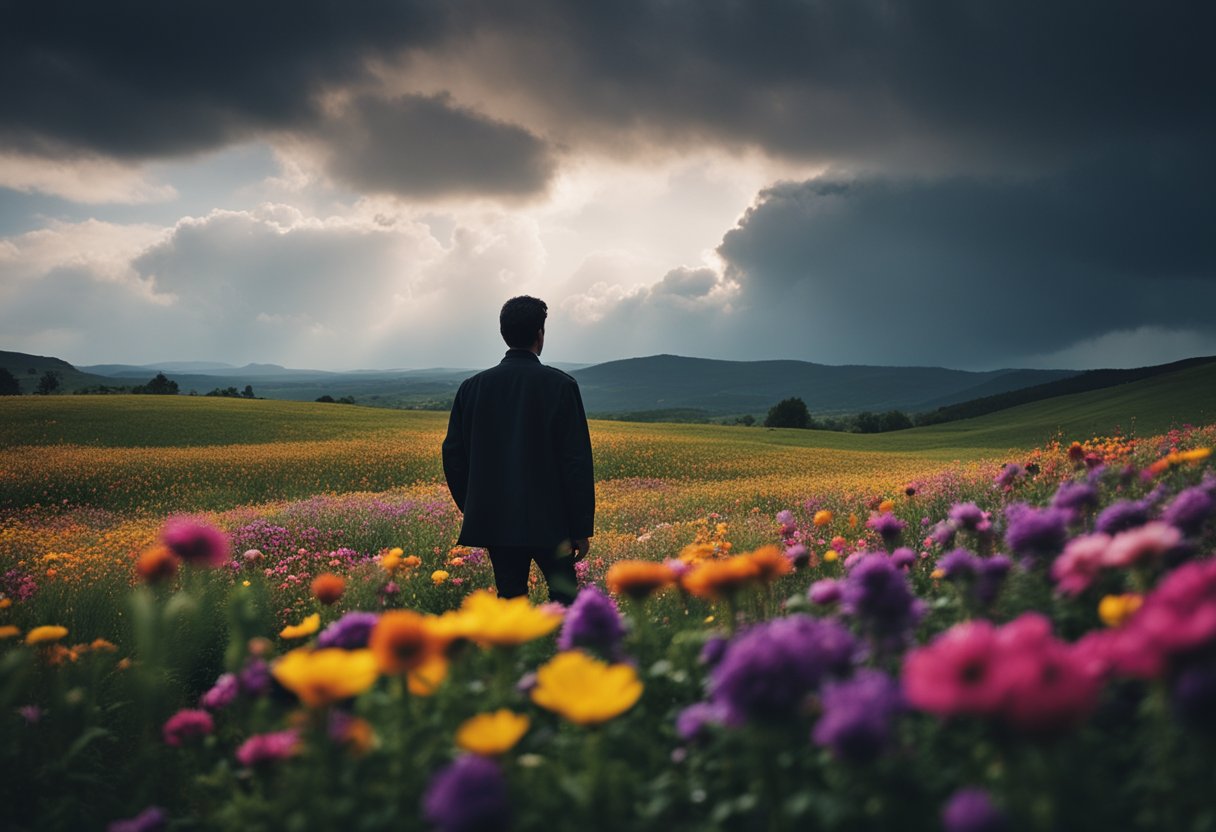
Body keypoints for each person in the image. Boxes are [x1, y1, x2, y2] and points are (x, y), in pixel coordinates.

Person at [441, 296, 595, 605]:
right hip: (553, 522)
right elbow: (575, 461)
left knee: (510, 600)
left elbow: (453, 456)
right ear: (540, 333)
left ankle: (517, 654)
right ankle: (560, 651)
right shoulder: (561, 386)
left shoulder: (472, 387)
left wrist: (474, 506)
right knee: (565, 599)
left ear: (503, 333)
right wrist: (580, 527)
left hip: (496, 520)